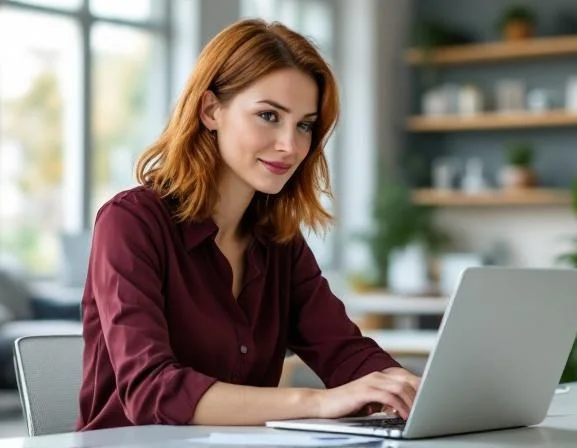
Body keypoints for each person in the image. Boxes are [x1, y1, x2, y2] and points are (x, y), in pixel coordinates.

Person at [76, 18, 420, 431]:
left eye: (305, 125)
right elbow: (152, 391)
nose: (290, 146)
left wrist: (407, 391)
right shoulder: (131, 223)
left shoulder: (279, 240)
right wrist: (318, 401)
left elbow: (345, 352)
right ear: (211, 110)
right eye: (269, 116)